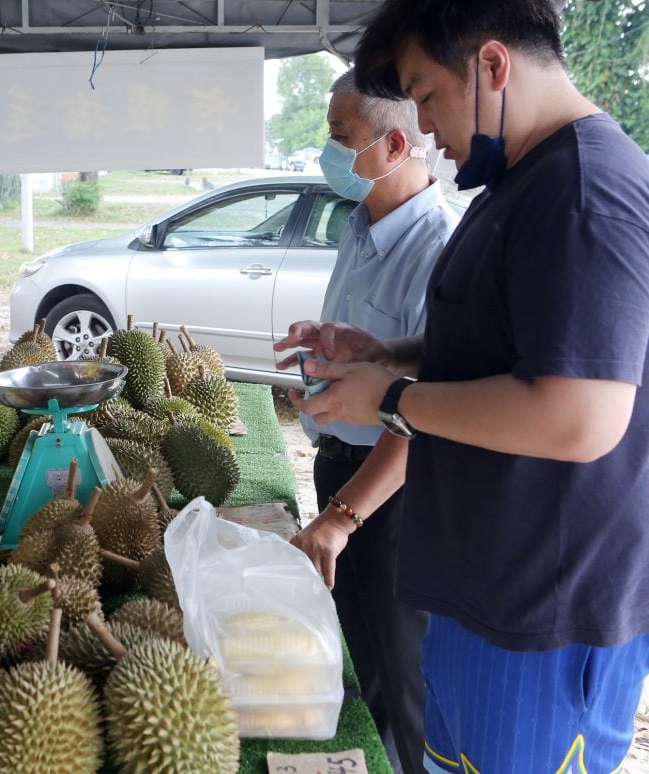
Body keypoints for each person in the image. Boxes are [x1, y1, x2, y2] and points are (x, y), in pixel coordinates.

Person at [291, 1, 649, 771]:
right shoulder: (522, 182)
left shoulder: (583, 193)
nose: (423, 127)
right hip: (483, 590)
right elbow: (503, 345)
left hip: (540, 618)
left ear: (492, 66)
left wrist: (389, 401)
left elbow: (579, 416)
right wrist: (387, 354)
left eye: (424, 95)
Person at [274, 68, 458, 774]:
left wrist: (342, 517)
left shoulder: (439, 247)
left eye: (340, 138)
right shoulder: (359, 223)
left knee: (397, 672)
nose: (328, 152)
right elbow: (384, 357)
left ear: (395, 145)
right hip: (338, 469)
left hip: (390, 496)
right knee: (354, 645)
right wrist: (330, 340)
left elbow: (427, 411)